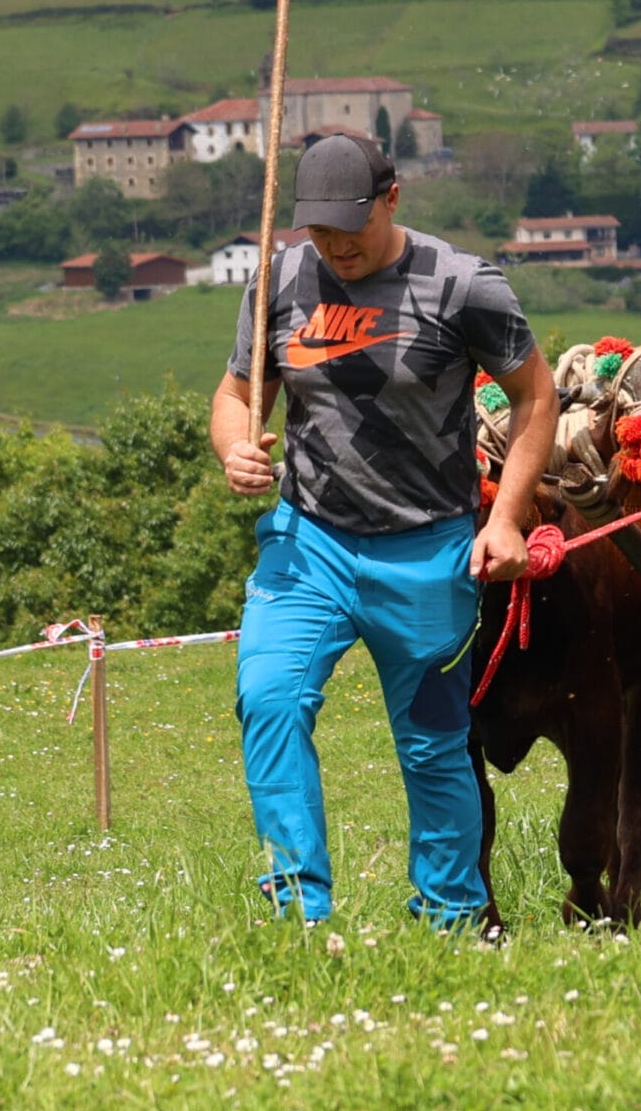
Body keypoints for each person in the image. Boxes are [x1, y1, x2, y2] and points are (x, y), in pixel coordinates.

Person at [209, 132, 558, 929]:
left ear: (392, 200)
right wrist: (236, 449)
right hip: (309, 544)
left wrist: (505, 520)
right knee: (267, 699)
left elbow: (537, 398)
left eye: (351, 231)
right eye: (320, 233)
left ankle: (452, 917)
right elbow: (235, 397)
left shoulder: (464, 285)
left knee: (435, 744)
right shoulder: (280, 279)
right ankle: (298, 911)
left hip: (428, 548)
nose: (336, 249)